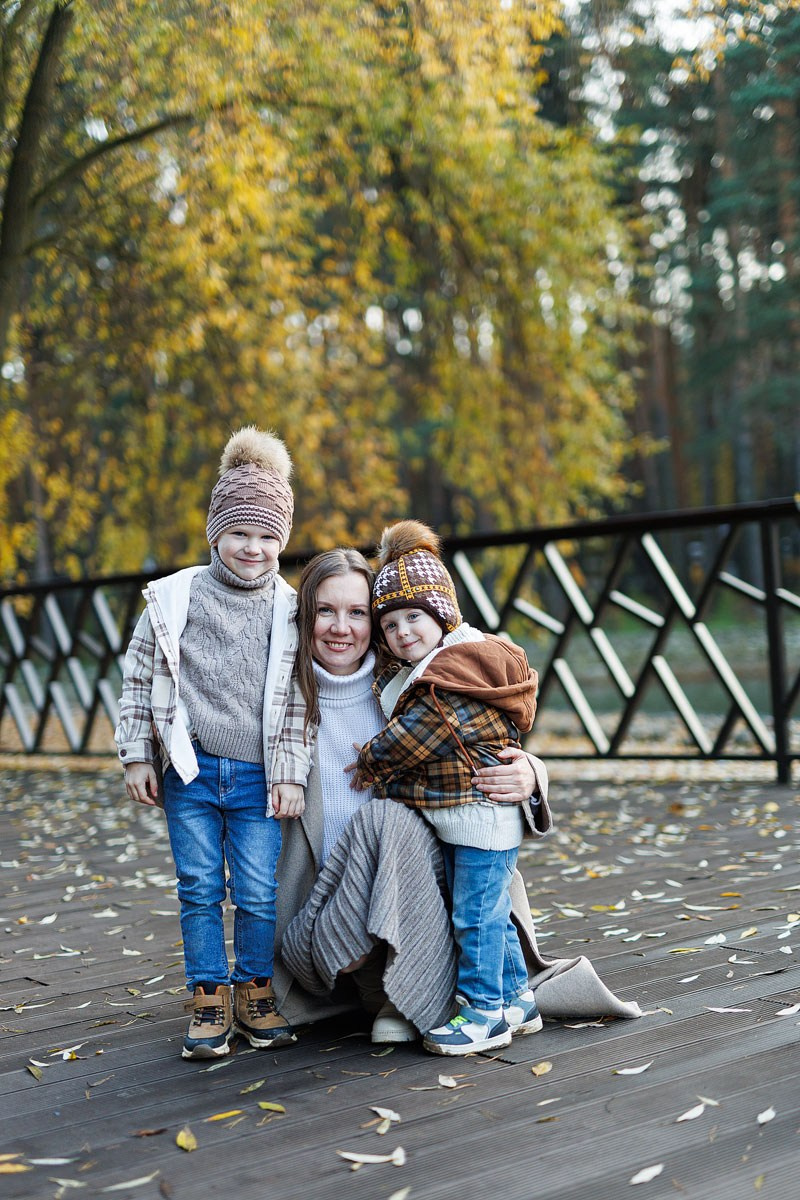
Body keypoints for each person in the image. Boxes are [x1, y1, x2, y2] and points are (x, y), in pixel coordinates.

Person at [274, 547, 547, 1043]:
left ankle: (471, 1001)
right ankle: (384, 988)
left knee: (390, 822)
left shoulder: (407, 683)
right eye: (326, 612)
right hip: (326, 889)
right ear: (304, 617)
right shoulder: (281, 696)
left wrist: (531, 771)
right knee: (347, 925)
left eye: (357, 613)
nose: (341, 627)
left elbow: (482, 726)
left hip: (424, 883)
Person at [115, 426, 310, 1061]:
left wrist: (291, 772)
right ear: (215, 532)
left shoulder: (289, 609)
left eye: (266, 536)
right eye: (240, 533)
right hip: (190, 770)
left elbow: (297, 701)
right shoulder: (175, 597)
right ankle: (207, 994)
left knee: (256, 890)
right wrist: (138, 753)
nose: (252, 548)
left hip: (258, 775)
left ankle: (254, 989)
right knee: (198, 885)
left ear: (280, 540)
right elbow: (139, 676)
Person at [352, 520, 546, 1056]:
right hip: (477, 815)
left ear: (442, 615)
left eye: (414, 617)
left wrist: (369, 760)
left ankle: (483, 1012)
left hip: (479, 815)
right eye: (389, 625)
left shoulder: (452, 673)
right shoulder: (447, 662)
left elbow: (416, 738)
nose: (403, 633)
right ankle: (516, 1000)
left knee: (474, 916)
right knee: (493, 909)